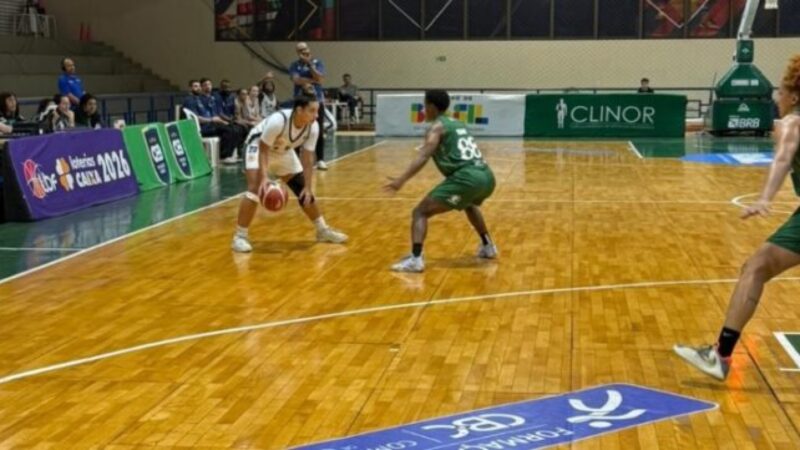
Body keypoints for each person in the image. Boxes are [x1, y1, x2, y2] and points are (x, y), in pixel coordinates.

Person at [674, 54, 800, 380]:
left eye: (780, 92)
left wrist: (765, 197)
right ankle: (720, 355)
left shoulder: (792, 122)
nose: (776, 99)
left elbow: (783, 158)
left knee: (755, 268)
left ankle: (721, 356)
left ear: (793, 97)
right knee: (757, 266)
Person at [384, 90, 498, 273]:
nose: (423, 109)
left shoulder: (436, 127)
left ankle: (415, 259)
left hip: (467, 178)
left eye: (425, 105)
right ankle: (488, 246)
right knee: (469, 204)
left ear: (431, 106)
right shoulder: (457, 123)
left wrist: (401, 180)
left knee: (420, 212)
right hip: (486, 175)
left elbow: (423, 156)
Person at [231, 95, 348, 253]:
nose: (316, 115)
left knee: (303, 191)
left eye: (317, 111)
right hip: (257, 147)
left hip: (283, 151)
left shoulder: (313, 127)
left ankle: (322, 230)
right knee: (255, 189)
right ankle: (239, 237)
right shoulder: (278, 121)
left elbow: (307, 157)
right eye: (312, 111)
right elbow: (263, 149)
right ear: (299, 110)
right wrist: (264, 178)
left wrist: (308, 186)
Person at [289, 42, 328, 170]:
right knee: (297, 128)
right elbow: (296, 80)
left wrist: (309, 64)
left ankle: (320, 159)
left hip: (316, 100)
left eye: (304, 49)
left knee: (319, 129)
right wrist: (313, 80)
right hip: (300, 100)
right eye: (300, 50)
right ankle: (295, 160)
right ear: (297, 52)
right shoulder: (294, 65)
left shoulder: (317, 62)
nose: (303, 51)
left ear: (309, 49)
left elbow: (320, 78)